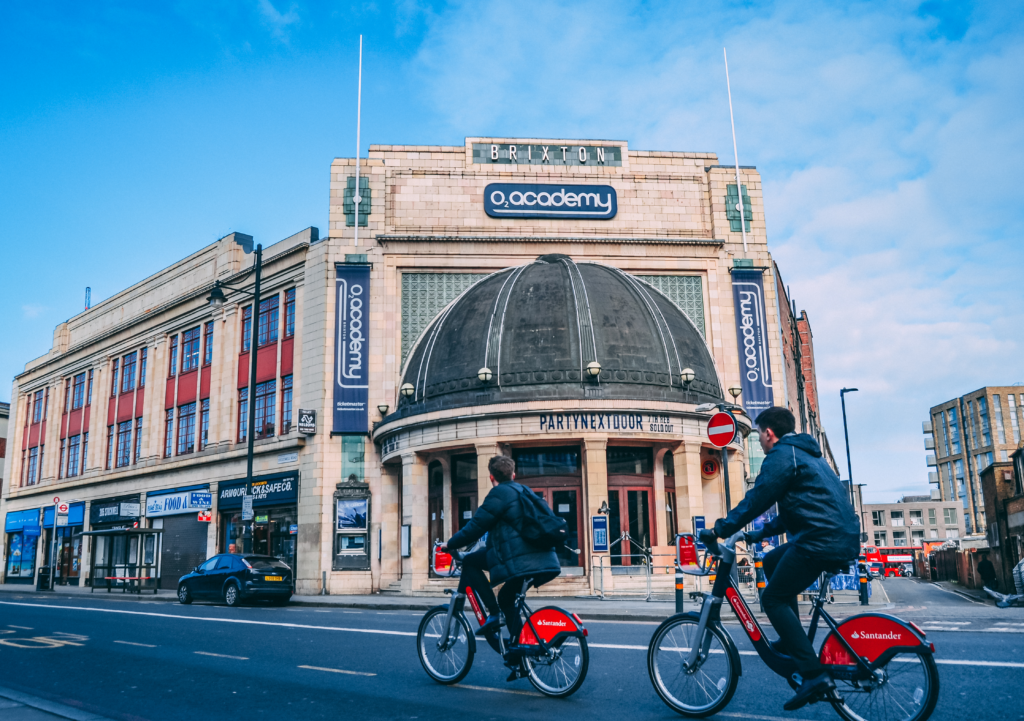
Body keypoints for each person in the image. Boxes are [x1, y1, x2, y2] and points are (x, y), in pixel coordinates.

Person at [702, 406, 860, 711]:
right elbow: (790, 514)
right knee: (773, 562)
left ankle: (813, 675)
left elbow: (757, 499)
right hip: (833, 536)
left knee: (772, 599)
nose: (759, 441)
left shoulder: (781, 457)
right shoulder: (807, 456)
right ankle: (791, 640)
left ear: (769, 433)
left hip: (820, 540)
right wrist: (752, 536)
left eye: (759, 435)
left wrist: (720, 529)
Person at [443, 455, 561, 679]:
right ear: (513, 474)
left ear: (491, 477)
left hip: (519, 559)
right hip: (542, 558)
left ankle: (494, 615)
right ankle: (519, 657)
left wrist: (449, 544)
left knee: (469, 562)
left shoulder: (498, 494)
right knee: (508, 598)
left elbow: (475, 527)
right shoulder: (523, 490)